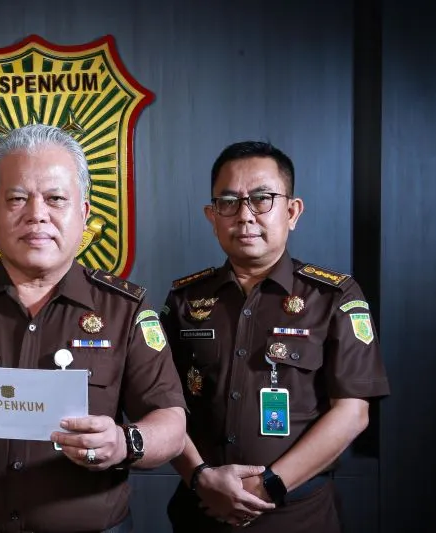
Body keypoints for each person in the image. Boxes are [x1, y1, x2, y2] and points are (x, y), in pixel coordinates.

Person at [0, 123, 188, 533]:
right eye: (18, 198)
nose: (37, 214)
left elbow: (170, 422)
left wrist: (123, 443)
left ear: (84, 213)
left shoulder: (124, 310)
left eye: (55, 198)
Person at [162, 141, 390, 532]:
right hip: (200, 511)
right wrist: (200, 477)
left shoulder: (333, 297)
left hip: (297, 515)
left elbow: (353, 412)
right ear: (212, 216)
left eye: (262, 199)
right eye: (228, 202)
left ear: (292, 211)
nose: (244, 215)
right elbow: (162, 405)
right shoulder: (184, 300)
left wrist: (269, 485)